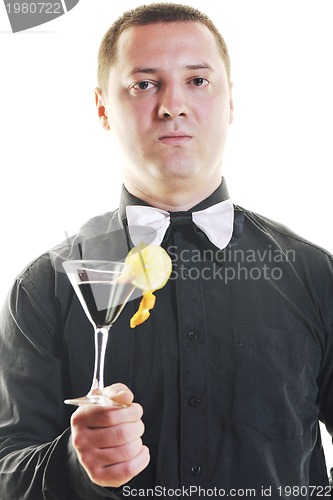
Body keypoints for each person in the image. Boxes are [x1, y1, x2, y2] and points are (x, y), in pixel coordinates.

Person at [0, 3, 333, 499]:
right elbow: (8, 470)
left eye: (197, 81)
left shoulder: (313, 274)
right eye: (144, 83)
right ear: (102, 108)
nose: (172, 105)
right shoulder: (47, 285)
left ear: (230, 101)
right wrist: (75, 463)